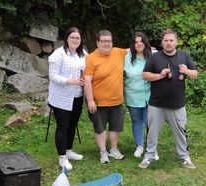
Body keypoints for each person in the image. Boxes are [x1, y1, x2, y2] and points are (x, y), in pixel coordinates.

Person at [138, 29, 198, 169]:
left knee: (181, 132)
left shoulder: (184, 56)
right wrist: (160, 75)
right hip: (157, 104)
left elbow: (195, 74)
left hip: (177, 105)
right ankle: (149, 156)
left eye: (171, 40)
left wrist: (187, 71)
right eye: (166, 40)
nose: (169, 43)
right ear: (162, 42)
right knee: (152, 132)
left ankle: (184, 157)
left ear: (176, 42)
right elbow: (145, 75)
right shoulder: (155, 57)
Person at [83, 30, 128, 164]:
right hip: (98, 102)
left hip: (116, 101)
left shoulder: (118, 52)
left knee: (115, 127)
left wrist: (153, 50)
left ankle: (113, 149)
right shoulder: (91, 58)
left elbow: (135, 49)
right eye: (103, 41)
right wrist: (90, 100)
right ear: (98, 43)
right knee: (100, 128)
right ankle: (103, 152)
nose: (106, 44)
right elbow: (87, 81)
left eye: (109, 41)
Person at [47, 27, 87, 171]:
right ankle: (62, 158)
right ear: (67, 39)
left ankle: (69, 150)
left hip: (77, 96)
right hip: (61, 98)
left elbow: (92, 63)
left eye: (78, 38)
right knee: (63, 126)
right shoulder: (58, 55)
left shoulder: (82, 54)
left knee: (72, 124)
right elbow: (53, 76)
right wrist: (71, 81)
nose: (75, 40)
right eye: (72, 37)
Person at [123, 32, 153, 158]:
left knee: (150, 122)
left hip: (150, 96)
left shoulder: (152, 56)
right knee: (137, 121)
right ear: (133, 45)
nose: (139, 44)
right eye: (136, 42)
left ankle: (152, 148)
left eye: (141, 41)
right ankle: (139, 146)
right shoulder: (127, 57)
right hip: (132, 96)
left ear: (145, 43)